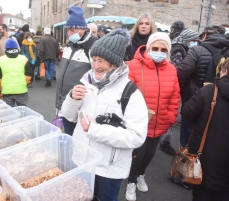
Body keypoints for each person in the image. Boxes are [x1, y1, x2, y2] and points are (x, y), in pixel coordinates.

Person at [61, 28, 148, 201]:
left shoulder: (130, 92)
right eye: (93, 60)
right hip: (82, 162)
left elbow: (136, 137)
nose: (96, 65)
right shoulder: (86, 81)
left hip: (109, 168)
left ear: (115, 63)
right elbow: (68, 116)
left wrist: (94, 130)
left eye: (101, 60)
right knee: (81, 197)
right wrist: (72, 99)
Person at [125, 32, 180, 201]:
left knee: (149, 154)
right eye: (155, 48)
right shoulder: (134, 66)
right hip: (138, 122)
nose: (159, 51)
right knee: (138, 155)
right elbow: (125, 93)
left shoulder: (171, 69)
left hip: (159, 121)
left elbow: (175, 96)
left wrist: (170, 117)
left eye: (163, 49)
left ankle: (141, 174)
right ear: (148, 48)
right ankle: (131, 181)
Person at [182, 57, 229, 201]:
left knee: (202, 194)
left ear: (224, 70)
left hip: (206, 158)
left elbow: (187, 112)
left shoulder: (209, 91)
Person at [177, 26, 229, 147]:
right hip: (221, 99)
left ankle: (186, 154)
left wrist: (185, 89)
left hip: (194, 95)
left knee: (189, 125)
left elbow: (182, 73)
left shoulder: (197, 50)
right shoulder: (226, 51)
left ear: (205, 36)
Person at [56, 6, 98, 136]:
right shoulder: (69, 46)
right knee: (65, 137)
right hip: (63, 102)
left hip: (80, 105)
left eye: (72, 30)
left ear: (82, 28)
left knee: (76, 140)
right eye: (67, 30)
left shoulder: (93, 47)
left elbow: (97, 78)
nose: (69, 34)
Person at [159, 29, 199, 156]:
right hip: (169, 85)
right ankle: (164, 141)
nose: (194, 43)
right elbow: (175, 70)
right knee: (166, 112)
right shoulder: (179, 48)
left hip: (168, 85)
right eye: (193, 40)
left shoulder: (177, 45)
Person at [0, 39, 31, 107]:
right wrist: (25, 82)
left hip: (7, 91)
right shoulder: (24, 59)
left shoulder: (0, 60)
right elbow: (28, 75)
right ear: (17, 48)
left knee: (9, 113)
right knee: (23, 112)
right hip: (21, 90)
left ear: (6, 49)